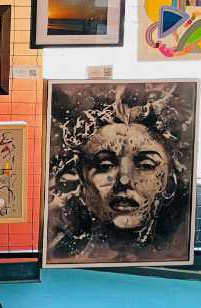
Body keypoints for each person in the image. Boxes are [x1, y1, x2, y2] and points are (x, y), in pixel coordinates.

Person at [46, 84, 193, 263]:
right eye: (105, 165)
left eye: (146, 165)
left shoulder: (173, 257)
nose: (124, 180)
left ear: (169, 185)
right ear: (80, 182)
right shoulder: (60, 258)